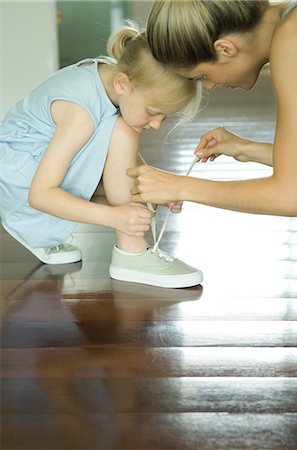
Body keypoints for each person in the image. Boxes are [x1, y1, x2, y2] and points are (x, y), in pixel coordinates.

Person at [0, 24, 203, 288]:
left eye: (165, 117)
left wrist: (156, 188)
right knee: (123, 131)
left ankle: (131, 253)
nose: (156, 125)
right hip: (18, 185)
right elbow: (40, 195)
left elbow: (121, 161)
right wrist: (115, 217)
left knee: (121, 133)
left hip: (25, 172)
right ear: (123, 84)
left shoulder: (112, 76)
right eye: (153, 111)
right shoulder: (81, 114)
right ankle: (131, 254)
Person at [127, 0, 297, 217]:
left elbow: (291, 196)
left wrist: (179, 186)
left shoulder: (292, 39)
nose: (210, 86)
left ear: (225, 49)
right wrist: (245, 148)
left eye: (202, 76)